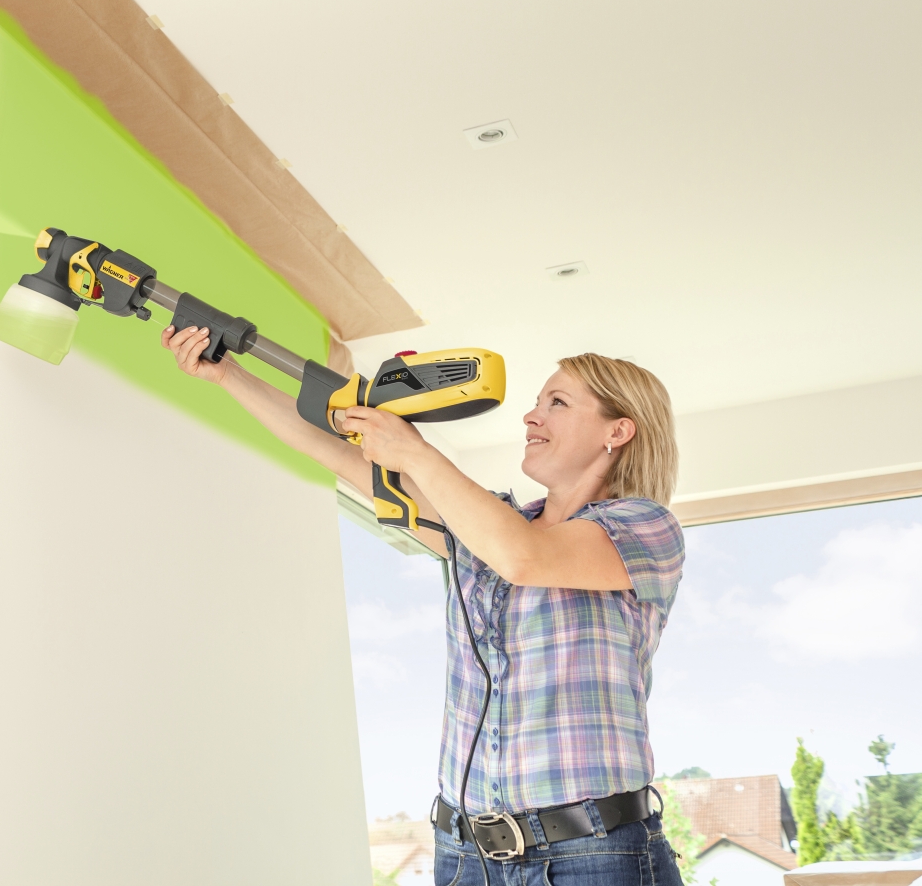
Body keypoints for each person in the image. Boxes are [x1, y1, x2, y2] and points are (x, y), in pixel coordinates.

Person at [161, 326, 685, 886]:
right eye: (537, 403)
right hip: (466, 855)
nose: (531, 417)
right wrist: (228, 374)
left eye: (557, 402)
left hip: (593, 853)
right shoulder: (483, 526)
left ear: (617, 431)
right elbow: (334, 452)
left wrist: (413, 450)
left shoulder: (644, 527)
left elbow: (524, 557)